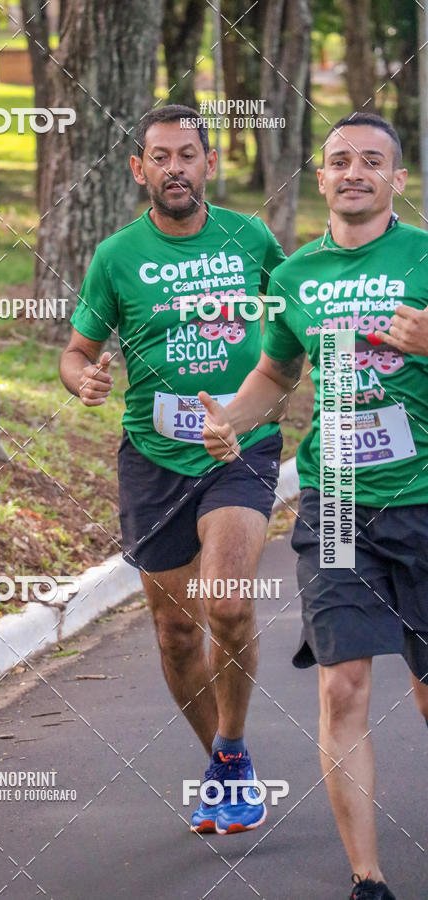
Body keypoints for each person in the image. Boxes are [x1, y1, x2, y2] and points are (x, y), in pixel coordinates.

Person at [200, 112, 428, 898]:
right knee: (342, 686)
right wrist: (231, 417)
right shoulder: (295, 276)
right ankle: (367, 880)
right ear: (322, 178)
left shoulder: (427, 256)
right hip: (335, 503)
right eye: (340, 161)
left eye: (373, 160)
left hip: (424, 501)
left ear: (398, 179)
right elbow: (276, 373)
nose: (354, 171)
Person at [59, 104, 286, 834]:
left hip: (239, 449)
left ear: (208, 164)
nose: (175, 168)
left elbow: (296, 320)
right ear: (139, 170)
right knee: (176, 633)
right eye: (160, 157)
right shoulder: (116, 256)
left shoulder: (249, 237)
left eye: (188, 154)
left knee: (226, 602)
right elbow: (76, 352)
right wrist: (83, 380)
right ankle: (227, 763)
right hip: (152, 461)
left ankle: (229, 750)